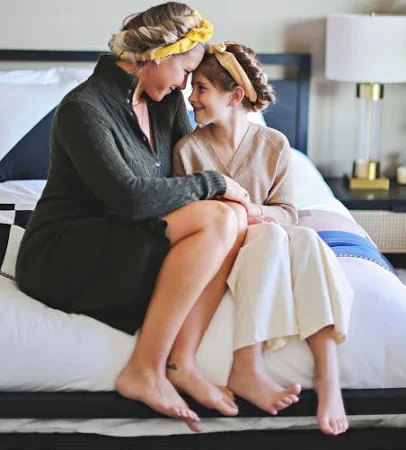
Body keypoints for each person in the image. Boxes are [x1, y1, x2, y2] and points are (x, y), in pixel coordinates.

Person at [15, 3, 256, 432]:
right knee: (218, 217)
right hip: (65, 253)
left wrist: (243, 194)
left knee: (230, 216)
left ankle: (182, 362)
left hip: (126, 235)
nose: (185, 85)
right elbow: (130, 198)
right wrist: (216, 183)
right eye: (185, 71)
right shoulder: (83, 108)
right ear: (159, 57)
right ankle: (145, 369)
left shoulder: (165, 102)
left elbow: (189, 170)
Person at [172, 42, 354, 435]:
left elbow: (287, 212)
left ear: (234, 95)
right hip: (223, 250)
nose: (191, 97)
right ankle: (246, 365)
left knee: (306, 239)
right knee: (271, 234)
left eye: (201, 88)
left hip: (271, 241)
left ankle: (328, 376)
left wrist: (254, 210)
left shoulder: (274, 145)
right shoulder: (188, 150)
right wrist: (252, 219)